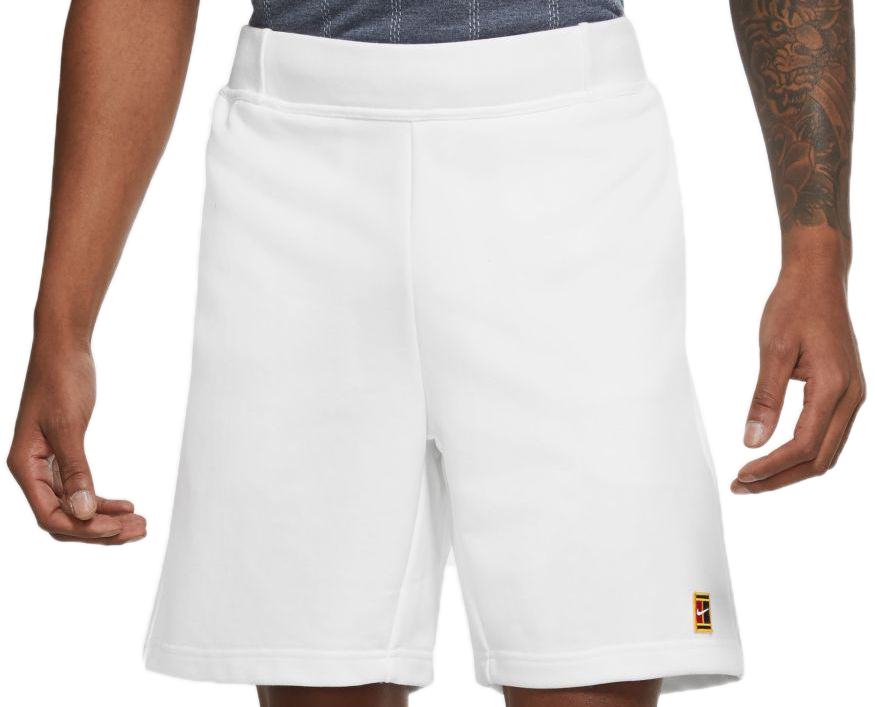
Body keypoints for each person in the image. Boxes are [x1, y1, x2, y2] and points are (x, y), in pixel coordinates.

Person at [6, 2, 864, 706]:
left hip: (569, 162)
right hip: (294, 162)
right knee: (317, 676)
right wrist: (62, 326)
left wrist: (816, 253)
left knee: (597, 667)